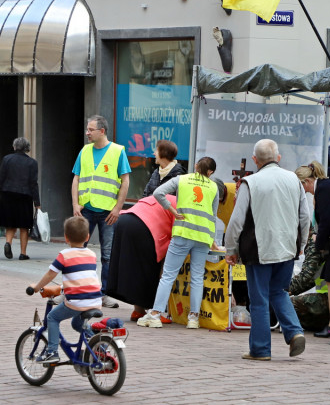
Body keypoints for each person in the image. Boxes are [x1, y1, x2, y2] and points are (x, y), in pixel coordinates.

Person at [224, 139, 311, 360]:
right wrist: (300, 244)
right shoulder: (294, 180)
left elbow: (236, 221)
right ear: (278, 158)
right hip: (286, 247)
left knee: (260, 298)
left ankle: (260, 349)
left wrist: (231, 249)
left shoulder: (249, 182)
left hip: (258, 248)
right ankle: (294, 332)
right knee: (279, 292)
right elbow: (305, 216)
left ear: (255, 159)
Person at [138, 157, 221, 329]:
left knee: (168, 275)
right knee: (197, 277)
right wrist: (213, 241)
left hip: (183, 232)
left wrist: (172, 210)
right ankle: (193, 318)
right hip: (203, 237)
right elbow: (213, 216)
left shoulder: (181, 179)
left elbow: (158, 193)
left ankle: (155, 315)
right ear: (211, 172)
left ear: (196, 166)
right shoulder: (214, 187)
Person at [71, 115, 130, 309]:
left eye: (90, 129)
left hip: (108, 213)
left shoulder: (117, 151)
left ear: (102, 131)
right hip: (86, 209)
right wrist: (75, 204)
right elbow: (76, 179)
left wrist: (117, 208)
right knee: (77, 251)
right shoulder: (85, 151)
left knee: (107, 255)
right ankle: (72, 291)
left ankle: (104, 294)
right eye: (87, 129)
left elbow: (125, 181)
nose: (87, 133)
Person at [29, 216, 102, 364]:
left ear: (66, 238)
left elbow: (51, 274)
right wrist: (63, 288)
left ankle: (52, 352)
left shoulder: (64, 255)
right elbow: (81, 278)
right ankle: (100, 346)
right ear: (87, 237)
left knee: (52, 318)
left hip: (77, 302)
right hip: (95, 299)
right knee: (77, 324)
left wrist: (36, 287)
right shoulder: (92, 254)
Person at [295, 161, 330, 338]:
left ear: (306, 181)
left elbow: (326, 220)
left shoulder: (323, 190)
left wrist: (318, 246)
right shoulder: (326, 187)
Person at [105, 193, 178, 321]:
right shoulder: (181, 204)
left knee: (136, 267)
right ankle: (154, 313)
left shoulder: (165, 196)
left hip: (124, 220)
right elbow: (176, 237)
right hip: (144, 226)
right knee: (149, 269)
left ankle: (138, 311)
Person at [0, 137, 40, 260]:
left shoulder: (7, 159)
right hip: (25, 196)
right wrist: (37, 202)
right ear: (27, 148)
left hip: (7, 194)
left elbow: (0, 179)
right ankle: (23, 253)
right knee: (24, 226)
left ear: (15, 147)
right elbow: (33, 183)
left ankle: (8, 242)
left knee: (10, 224)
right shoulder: (32, 163)